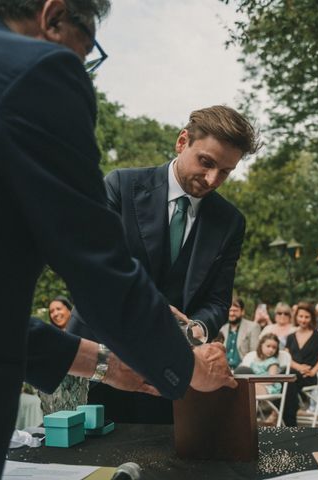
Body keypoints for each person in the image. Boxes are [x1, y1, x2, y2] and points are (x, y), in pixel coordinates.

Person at [0, 2, 235, 477]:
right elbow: (97, 268)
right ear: (54, 15)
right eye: (88, 52)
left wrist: (101, 363)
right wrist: (189, 368)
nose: (83, 68)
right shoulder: (38, 71)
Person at [68, 104, 255, 423]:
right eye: (206, 162)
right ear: (183, 142)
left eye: (225, 171)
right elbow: (94, 277)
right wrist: (168, 323)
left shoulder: (230, 222)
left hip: (170, 374)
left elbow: (218, 301)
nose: (212, 179)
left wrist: (195, 329)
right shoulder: (119, 187)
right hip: (98, 360)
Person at [39, 298, 89, 414]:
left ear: (69, 309)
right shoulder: (50, 337)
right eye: (51, 311)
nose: (55, 313)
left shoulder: (84, 329)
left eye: (58, 309)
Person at [282, 302, 318, 426]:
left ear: (312, 318)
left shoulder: (317, 336)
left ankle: (288, 420)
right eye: (301, 316)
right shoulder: (291, 337)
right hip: (293, 373)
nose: (303, 319)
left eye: (306, 317)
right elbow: (287, 358)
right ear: (296, 317)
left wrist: (313, 371)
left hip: (308, 376)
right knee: (285, 378)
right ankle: (288, 417)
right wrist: (298, 367)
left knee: (286, 379)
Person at [220, 297, 262, 371]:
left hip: (244, 369)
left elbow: (254, 353)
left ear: (242, 312)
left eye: (235, 311)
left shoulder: (253, 327)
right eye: (230, 310)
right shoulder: (222, 328)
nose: (232, 313)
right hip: (224, 370)